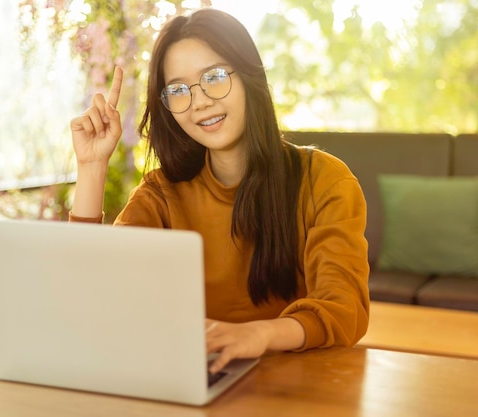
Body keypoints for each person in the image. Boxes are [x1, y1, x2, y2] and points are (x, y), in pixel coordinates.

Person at [69, 8, 370, 374]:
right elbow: (89, 297)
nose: (200, 101)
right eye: (178, 89)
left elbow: (344, 307)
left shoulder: (324, 180)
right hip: (195, 381)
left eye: (213, 77)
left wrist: (259, 335)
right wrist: (91, 167)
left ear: (249, 76)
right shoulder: (161, 194)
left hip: (298, 385)